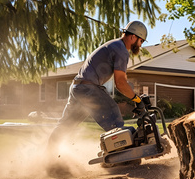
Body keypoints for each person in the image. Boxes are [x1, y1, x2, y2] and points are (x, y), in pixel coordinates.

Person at [47, 20, 147, 151]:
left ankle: (48, 157)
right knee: (114, 118)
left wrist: (134, 96)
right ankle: (122, 157)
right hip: (88, 88)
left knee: (66, 125)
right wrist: (137, 100)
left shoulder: (114, 45)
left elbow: (123, 81)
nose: (140, 45)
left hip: (77, 87)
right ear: (133, 36)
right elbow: (120, 83)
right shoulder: (121, 50)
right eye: (141, 41)